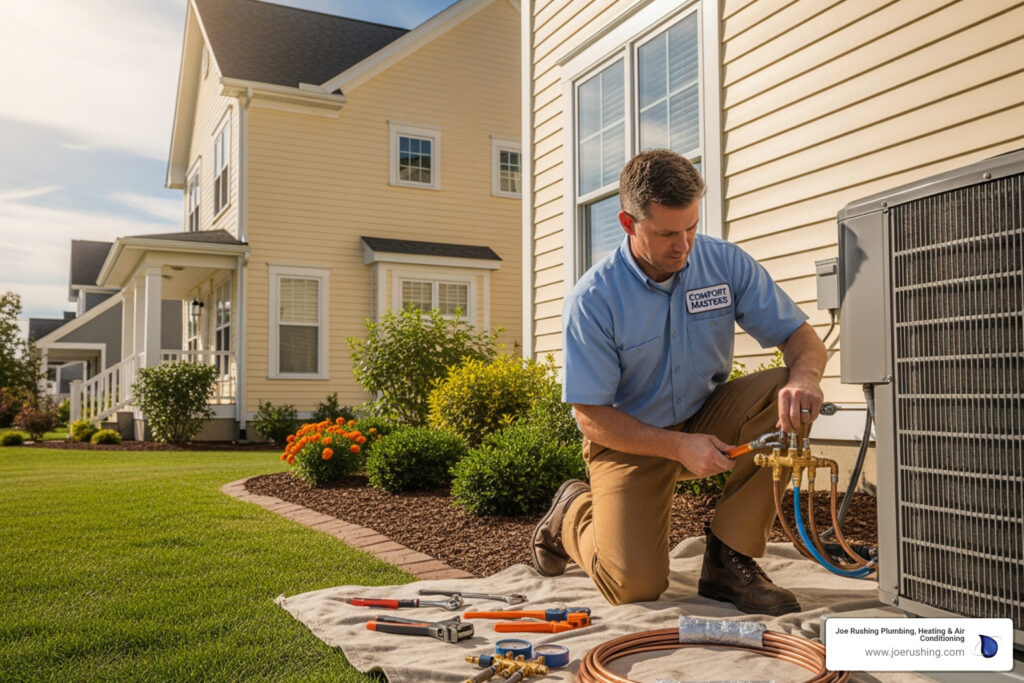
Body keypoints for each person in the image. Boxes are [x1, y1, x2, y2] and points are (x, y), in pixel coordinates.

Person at [531, 149, 827, 615]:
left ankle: (730, 561)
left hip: (706, 417)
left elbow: (799, 337)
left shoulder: (724, 264)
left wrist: (806, 376)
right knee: (633, 587)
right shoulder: (593, 300)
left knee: (783, 392)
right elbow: (591, 417)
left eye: (691, 227)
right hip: (629, 439)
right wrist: (675, 447)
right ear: (629, 224)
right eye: (667, 233)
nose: (684, 245)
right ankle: (571, 513)